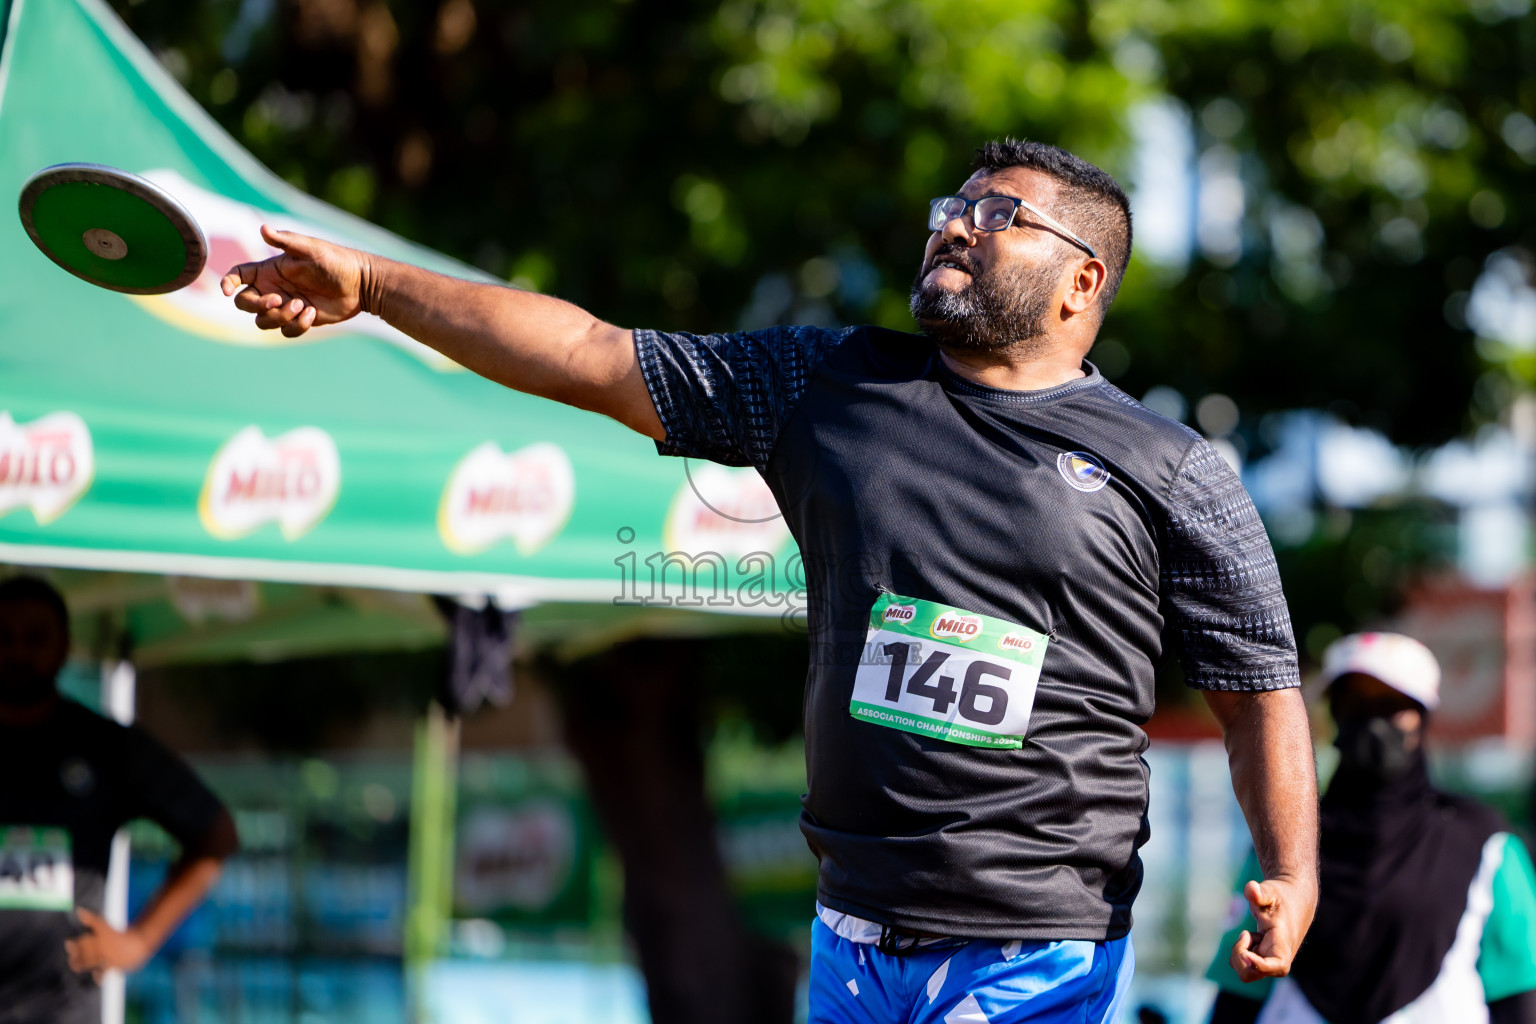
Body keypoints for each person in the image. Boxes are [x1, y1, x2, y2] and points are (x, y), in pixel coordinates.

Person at [221, 138, 1318, 1023]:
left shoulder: (1170, 470)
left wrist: (1290, 868)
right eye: (954, 204)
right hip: (851, 939)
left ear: (1084, 280)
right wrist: (370, 285)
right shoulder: (831, 384)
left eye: (998, 215)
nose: (953, 223)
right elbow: (594, 352)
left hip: (1036, 946)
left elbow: (1257, 688)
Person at [1206, 631, 1536, 1024]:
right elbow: (1240, 989)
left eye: (1390, 705)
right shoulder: (1285, 844)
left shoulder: (1486, 846)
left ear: (1423, 716)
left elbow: (1518, 998)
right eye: (1355, 705)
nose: (1372, 722)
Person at [0, 575, 239, 1024]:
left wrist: (140, 941)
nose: (17, 652)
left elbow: (217, 833)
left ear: (66, 646)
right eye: (4, 637)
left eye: (35, 638)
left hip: (61, 1009)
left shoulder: (107, 747)